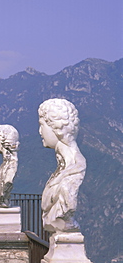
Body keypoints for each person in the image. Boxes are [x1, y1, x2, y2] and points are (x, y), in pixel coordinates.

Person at [38, 98, 86, 234]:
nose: (40, 131)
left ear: (56, 127)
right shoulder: (64, 166)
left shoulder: (75, 168)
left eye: (42, 125)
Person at [0, 124, 19, 208]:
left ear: (1, 141)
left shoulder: (11, 165)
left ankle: (3, 199)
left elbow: (8, 181)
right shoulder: (6, 164)